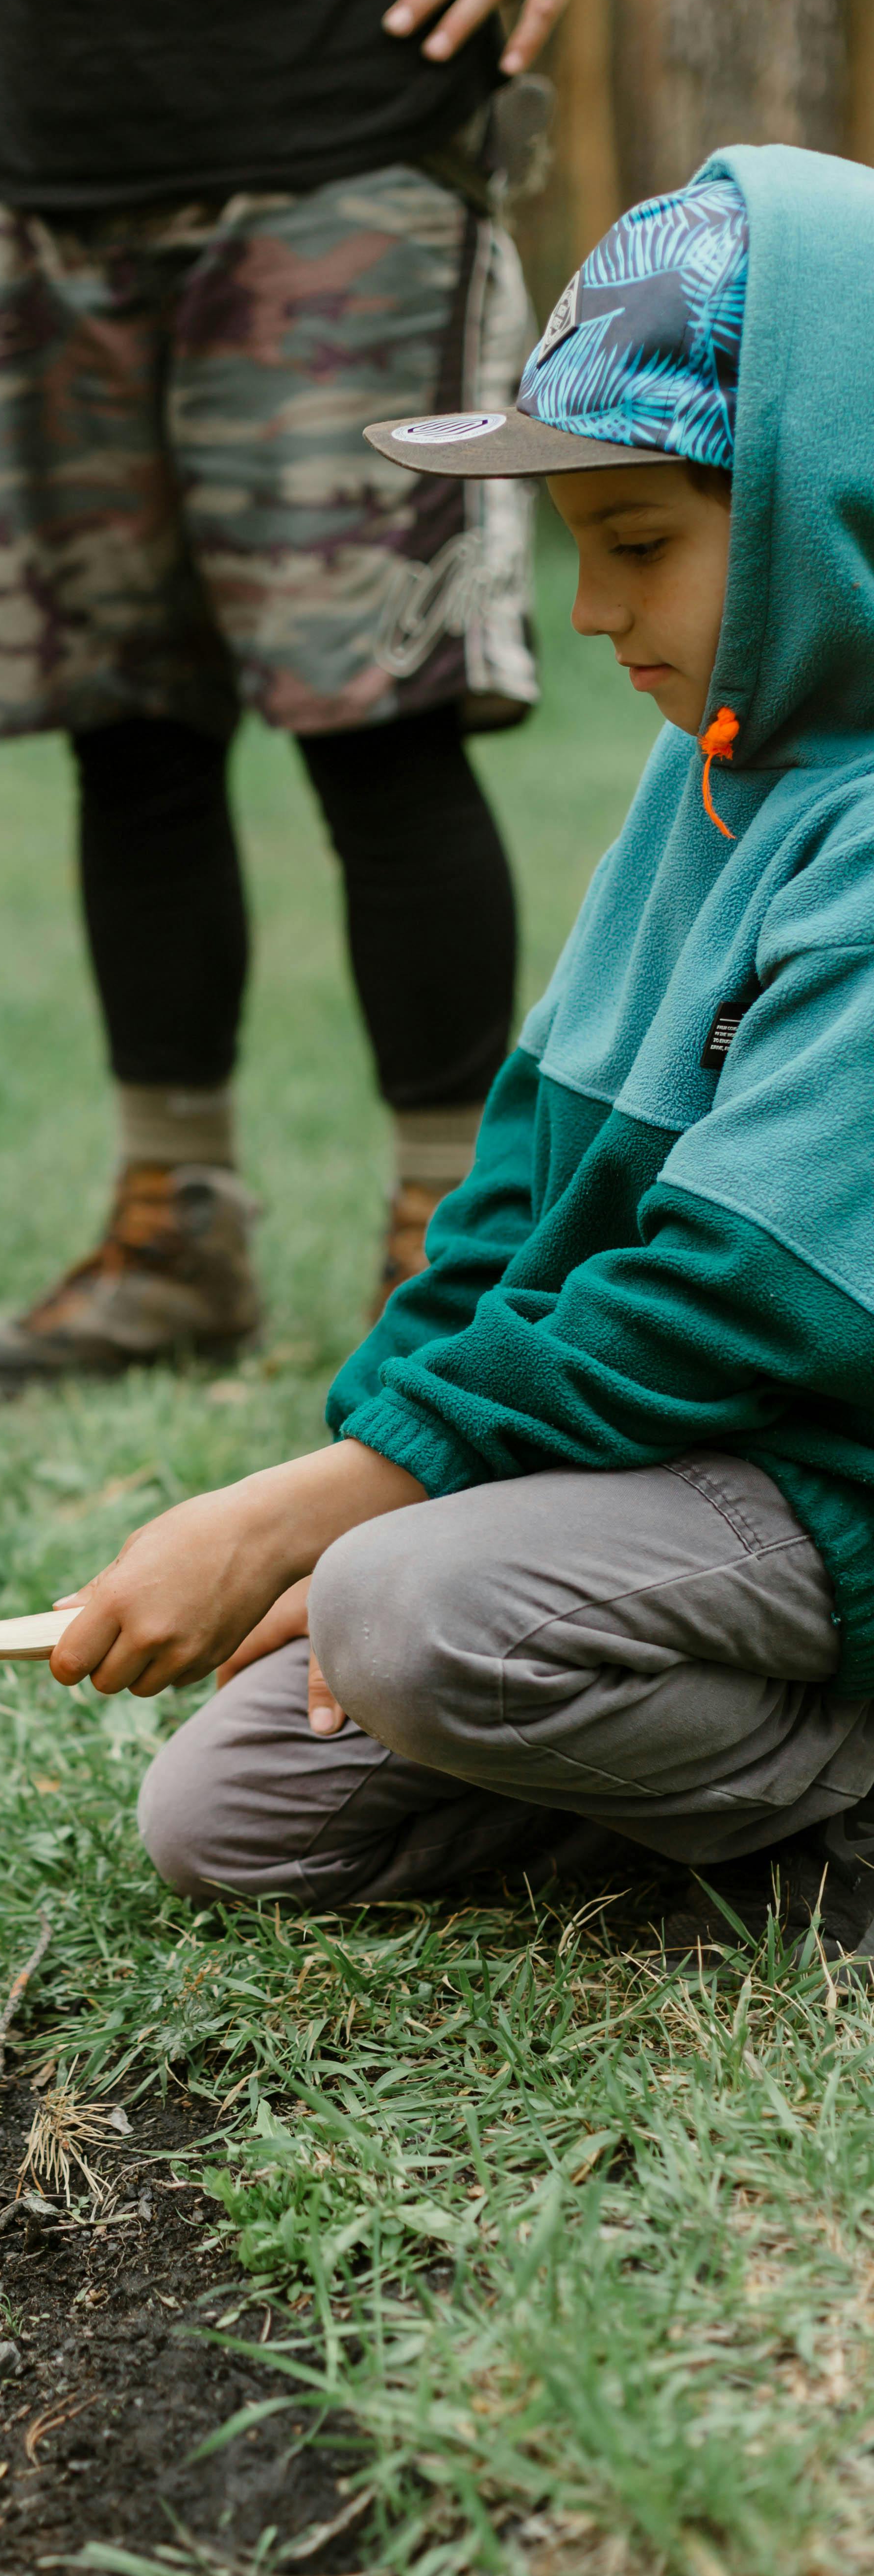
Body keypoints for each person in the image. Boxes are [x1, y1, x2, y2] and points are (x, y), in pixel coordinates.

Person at [47, 145, 874, 1953]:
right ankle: (690, 1792)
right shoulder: (707, 782)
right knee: (229, 1808)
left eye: (639, 546)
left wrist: (337, 1512)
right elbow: (523, 1192)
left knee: (417, 1614)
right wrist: (373, 1476)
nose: (593, 613)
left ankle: (841, 1814)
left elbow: (753, 1297)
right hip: (688, 1487)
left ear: (836, 505)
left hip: (836, 1484)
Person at [0, 0, 641, 1402]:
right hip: (52, 162)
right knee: (123, 733)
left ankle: (450, 1253)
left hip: (349, 137)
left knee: (383, 728)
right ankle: (174, 1235)